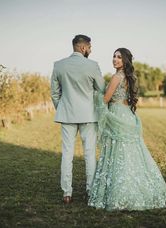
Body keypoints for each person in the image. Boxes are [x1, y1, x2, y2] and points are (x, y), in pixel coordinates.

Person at [88, 48, 166, 211]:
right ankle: (140, 187)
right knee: (132, 153)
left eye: (119, 57)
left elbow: (105, 99)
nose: (115, 59)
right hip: (128, 116)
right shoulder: (130, 77)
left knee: (117, 151)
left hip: (116, 114)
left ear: (125, 61)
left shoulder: (116, 77)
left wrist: (95, 93)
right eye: (114, 56)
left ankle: (120, 192)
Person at [51, 34, 105, 204]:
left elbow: (54, 93)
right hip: (89, 115)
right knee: (89, 154)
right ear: (83, 48)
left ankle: (67, 193)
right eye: (89, 47)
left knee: (67, 154)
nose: (90, 50)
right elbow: (102, 89)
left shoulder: (59, 65)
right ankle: (90, 191)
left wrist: (63, 108)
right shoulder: (92, 65)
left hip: (67, 115)